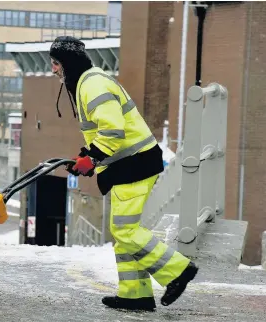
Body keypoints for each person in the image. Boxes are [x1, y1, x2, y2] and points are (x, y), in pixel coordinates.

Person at [48, 36, 199, 312]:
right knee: (123, 231)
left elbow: (113, 130)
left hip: (134, 163)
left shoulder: (92, 85)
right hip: (127, 163)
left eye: (56, 64)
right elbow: (102, 131)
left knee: (125, 229)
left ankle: (177, 271)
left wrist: (92, 157)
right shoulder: (87, 82)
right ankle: (135, 294)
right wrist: (87, 158)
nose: (54, 70)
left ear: (67, 63)